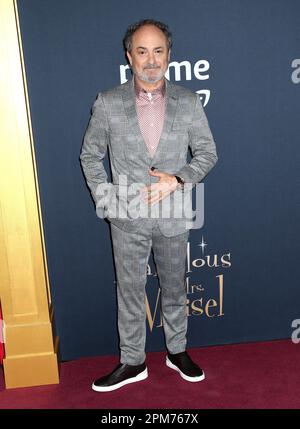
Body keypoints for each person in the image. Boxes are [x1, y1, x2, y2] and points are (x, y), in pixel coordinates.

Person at [80, 19, 218, 392]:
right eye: (142, 51)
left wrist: (179, 179)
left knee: (175, 288)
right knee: (128, 292)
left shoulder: (188, 102)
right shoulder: (108, 103)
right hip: (126, 220)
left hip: (174, 216)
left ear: (169, 55)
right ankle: (132, 361)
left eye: (158, 51)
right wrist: (107, 202)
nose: (151, 59)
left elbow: (207, 153)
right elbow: (90, 157)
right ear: (130, 57)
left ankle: (177, 351)